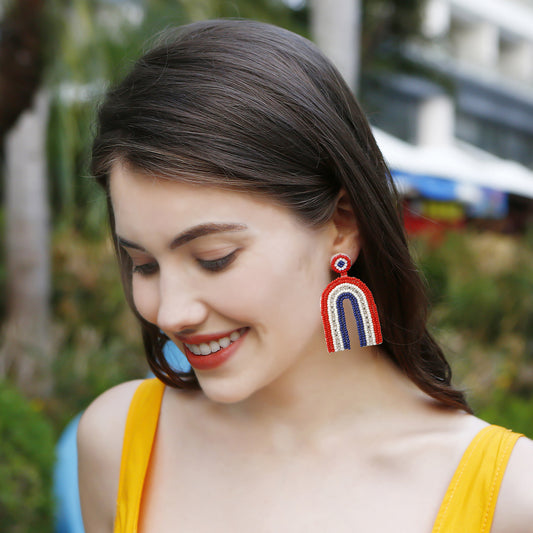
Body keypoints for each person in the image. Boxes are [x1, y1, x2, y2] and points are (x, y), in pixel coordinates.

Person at [78, 19, 533, 533]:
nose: (172, 311)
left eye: (215, 258)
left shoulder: (509, 499)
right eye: (145, 265)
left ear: (342, 225)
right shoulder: (117, 439)